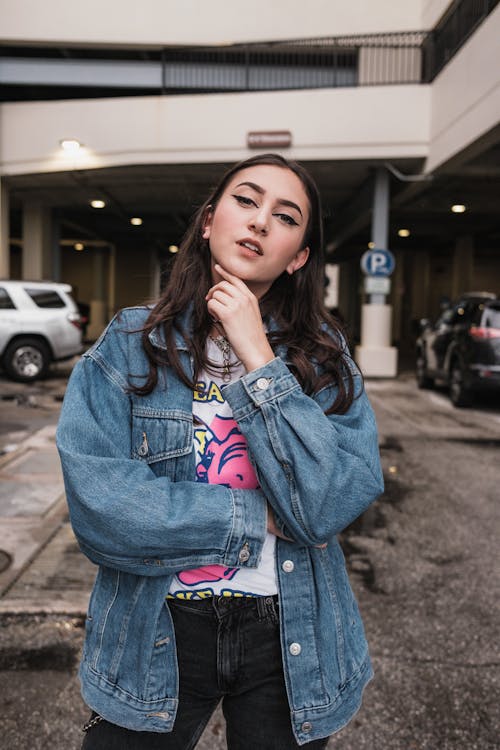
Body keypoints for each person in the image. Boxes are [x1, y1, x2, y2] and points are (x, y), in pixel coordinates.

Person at [56, 153, 384, 749]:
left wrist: (259, 356)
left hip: (290, 634)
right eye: (246, 201)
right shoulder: (130, 345)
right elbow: (102, 508)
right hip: (158, 630)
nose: (260, 222)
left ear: (299, 257)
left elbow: (331, 501)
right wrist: (253, 517)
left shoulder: (324, 354)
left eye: (285, 217)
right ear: (209, 222)